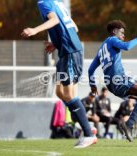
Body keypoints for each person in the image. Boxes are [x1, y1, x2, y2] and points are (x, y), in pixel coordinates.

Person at [21, 0, 96, 148]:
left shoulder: (44, 3)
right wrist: (55, 44)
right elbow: (74, 27)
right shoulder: (58, 3)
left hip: (70, 51)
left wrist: (35, 30)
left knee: (68, 93)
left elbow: (55, 20)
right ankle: (85, 127)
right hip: (65, 51)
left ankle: (88, 133)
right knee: (60, 92)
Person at [88, 19, 137, 142]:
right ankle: (128, 125)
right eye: (121, 32)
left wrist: (93, 85)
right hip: (119, 79)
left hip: (110, 85)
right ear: (114, 31)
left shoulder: (101, 49)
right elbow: (127, 46)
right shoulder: (113, 40)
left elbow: (91, 69)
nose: (123, 35)